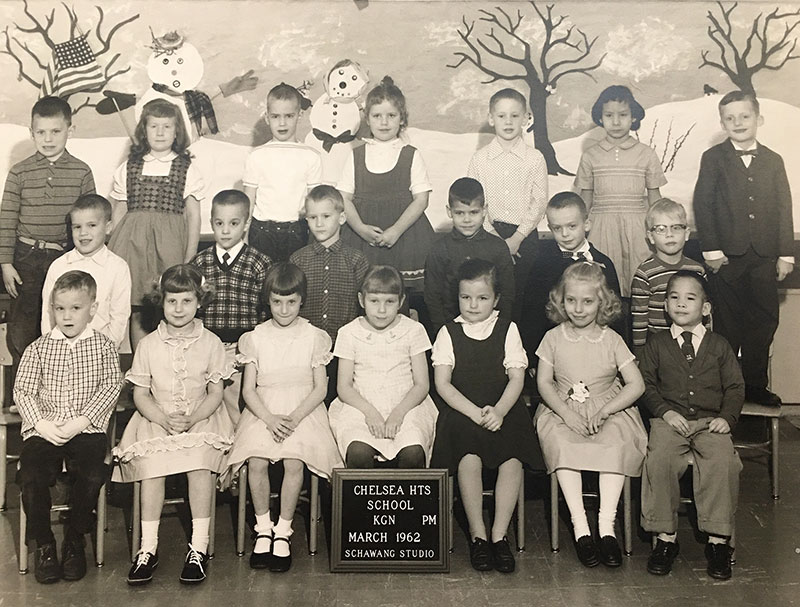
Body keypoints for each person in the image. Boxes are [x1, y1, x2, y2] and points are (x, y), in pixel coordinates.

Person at [112, 265, 234, 586]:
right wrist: (162, 418)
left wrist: (193, 418)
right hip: (157, 415)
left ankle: (199, 546)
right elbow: (140, 393)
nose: (178, 309)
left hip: (201, 415)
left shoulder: (211, 342)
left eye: (186, 301)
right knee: (153, 467)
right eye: (171, 302)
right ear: (161, 302)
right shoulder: (149, 344)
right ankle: (148, 547)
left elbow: (216, 392)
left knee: (198, 465)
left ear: (199, 302)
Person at [226, 263, 342, 572]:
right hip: (264, 409)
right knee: (257, 460)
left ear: (302, 300)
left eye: (291, 302)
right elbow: (249, 391)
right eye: (277, 302)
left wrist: (293, 418)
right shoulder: (255, 337)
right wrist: (269, 419)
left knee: (294, 460)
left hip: (303, 409)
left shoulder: (315, 337)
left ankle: (283, 531)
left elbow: (320, 389)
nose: (284, 309)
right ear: (268, 300)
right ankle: (263, 527)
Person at [430, 259, 540, 573]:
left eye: (481, 298)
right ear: (458, 297)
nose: (473, 304)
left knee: (511, 460)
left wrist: (500, 411)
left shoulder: (508, 328)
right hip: (464, 410)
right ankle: (478, 535)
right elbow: (443, 383)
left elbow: (517, 378)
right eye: (466, 297)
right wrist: (475, 413)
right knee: (469, 458)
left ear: (495, 300)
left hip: (502, 408)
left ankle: (499, 536)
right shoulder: (448, 332)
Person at [535, 262, 646, 568]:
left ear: (603, 302)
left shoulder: (611, 339)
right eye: (571, 301)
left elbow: (636, 384)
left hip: (607, 408)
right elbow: (544, 381)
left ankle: (606, 528)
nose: (579, 309)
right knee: (562, 444)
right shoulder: (554, 338)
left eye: (588, 301)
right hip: (563, 408)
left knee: (615, 443)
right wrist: (566, 413)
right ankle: (581, 528)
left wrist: (607, 409)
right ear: (561, 300)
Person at [14, 271, 121, 584]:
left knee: (91, 472)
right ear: (51, 310)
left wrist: (83, 420)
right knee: (30, 475)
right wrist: (41, 423)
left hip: (85, 428)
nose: (67, 315)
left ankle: (75, 538)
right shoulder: (38, 348)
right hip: (45, 428)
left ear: (92, 308)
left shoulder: (104, 347)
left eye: (76, 308)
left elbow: (111, 386)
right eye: (60, 309)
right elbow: (23, 390)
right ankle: (45, 544)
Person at [639, 270, 744, 580]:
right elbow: (644, 383)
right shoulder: (657, 344)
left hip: (711, 422)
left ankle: (718, 542)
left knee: (722, 463)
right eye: (674, 297)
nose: (681, 304)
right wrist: (664, 412)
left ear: (706, 308)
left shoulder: (720, 345)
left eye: (690, 297)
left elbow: (736, 387)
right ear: (665, 305)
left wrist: (727, 417)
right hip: (669, 421)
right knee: (658, 461)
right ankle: (665, 539)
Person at [693, 90, 794, 407]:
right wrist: (711, 250)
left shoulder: (774, 160)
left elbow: (784, 208)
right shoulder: (713, 159)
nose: (737, 122)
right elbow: (703, 204)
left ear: (758, 119)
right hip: (727, 260)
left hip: (764, 258)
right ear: (722, 122)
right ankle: (727, 388)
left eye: (744, 116)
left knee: (763, 323)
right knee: (727, 325)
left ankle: (755, 386)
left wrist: (785, 254)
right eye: (730, 118)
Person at [1, 96, 95, 378]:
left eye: (56, 131)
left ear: (70, 129)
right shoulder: (19, 172)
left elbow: (90, 221)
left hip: (65, 258)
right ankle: (24, 389)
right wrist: (6, 263)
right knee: (23, 325)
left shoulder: (81, 171)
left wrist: (86, 262)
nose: (48, 138)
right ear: (32, 133)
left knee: (64, 322)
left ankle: (61, 386)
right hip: (26, 259)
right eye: (40, 132)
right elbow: (6, 220)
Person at [108, 98, 205, 352]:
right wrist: (112, 256)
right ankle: (140, 368)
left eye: (167, 127)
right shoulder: (129, 166)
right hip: (132, 247)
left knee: (169, 304)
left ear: (177, 132)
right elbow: (119, 212)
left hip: (169, 247)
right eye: (154, 126)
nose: (160, 133)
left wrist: (189, 258)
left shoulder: (187, 168)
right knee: (138, 308)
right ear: (144, 130)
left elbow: (194, 217)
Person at [328, 265, 437, 468]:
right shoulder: (348, 332)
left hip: (407, 405)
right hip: (360, 406)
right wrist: (370, 413)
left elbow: (422, 385)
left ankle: (408, 501)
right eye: (374, 301)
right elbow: (344, 387)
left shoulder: (413, 330)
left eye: (390, 302)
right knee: (358, 452)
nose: (381, 310)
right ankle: (361, 501)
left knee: (412, 453)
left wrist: (398, 414)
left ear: (401, 301)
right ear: (362, 300)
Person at [338, 76, 435, 297]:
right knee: (367, 294)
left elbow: (421, 200)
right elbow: (344, 198)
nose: (384, 122)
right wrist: (361, 228)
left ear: (402, 118)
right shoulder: (356, 155)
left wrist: (396, 230)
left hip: (404, 239)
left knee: (404, 298)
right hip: (363, 239)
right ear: (367, 119)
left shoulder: (411, 154)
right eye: (377, 116)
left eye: (391, 115)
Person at [575, 85, 667, 298]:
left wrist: (660, 230)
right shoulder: (590, 155)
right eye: (609, 115)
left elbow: (655, 199)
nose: (616, 122)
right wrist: (576, 230)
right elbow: (585, 199)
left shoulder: (646, 154)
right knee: (603, 287)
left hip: (638, 229)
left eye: (623, 115)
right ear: (600, 118)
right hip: (601, 227)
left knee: (639, 287)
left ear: (633, 117)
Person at [190, 189, 273, 424]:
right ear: (211, 223)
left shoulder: (259, 262)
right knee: (210, 401)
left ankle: (241, 444)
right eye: (219, 223)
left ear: (246, 223)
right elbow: (193, 306)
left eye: (233, 223)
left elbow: (265, 310)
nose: (225, 230)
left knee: (238, 400)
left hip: (243, 346)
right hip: (209, 343)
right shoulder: (200, 262)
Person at [467, 88, 548, 318]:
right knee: (490, 299)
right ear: (491, 119)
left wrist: (517, 238)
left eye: (515, 115)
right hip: (488, 236)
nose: (508, 122)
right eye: (501, 116)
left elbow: (539, 201)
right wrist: (495, 238)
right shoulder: (480, 159)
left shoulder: (535, 158)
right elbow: (474, 202)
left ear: (526, 118)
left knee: (523, 302)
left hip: (524, 239)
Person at [519, 192, 620, 374]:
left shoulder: (604, 263)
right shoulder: (542, 265)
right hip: (557, 356)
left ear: (586, 224)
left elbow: (615, 315)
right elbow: (531, 314)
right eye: (557, 228)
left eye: (572, 226)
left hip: (597, 353)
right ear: (550, 228)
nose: (565, 234)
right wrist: (533, 359)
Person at [290, 185, 369, 403]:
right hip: (307, 349)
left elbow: (364, 308)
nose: (319, 223)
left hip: (345, 350)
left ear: (342, 217)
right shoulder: (298, 259)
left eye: (326, 216)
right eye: (312, 217)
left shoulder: (356, 259)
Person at [424, 177, 515, 335]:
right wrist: (443, 331)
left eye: (473, 212)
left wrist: (500, 331)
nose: (467, 219)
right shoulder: (439, 248)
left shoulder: (498, 247)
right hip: (451, 329)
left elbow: (508, 294)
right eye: (459, 213)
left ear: (484, 211)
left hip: (491, 329)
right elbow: (433, 296)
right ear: (449, 211)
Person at [41, 194, 131, 350]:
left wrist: (105, 352)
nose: (83, 233)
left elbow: (119, 317)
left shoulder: (118, 267)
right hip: (61, 352)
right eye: (77, 227)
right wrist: (53, 351)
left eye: (92, 225)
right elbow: (48, 314)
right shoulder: (59, 265)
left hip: (100, 354)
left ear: (108, 227)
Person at [243, 83, 322, 262]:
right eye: (276, 116)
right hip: (262, 232)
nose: (282, 123)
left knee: (294, 284)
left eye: (289, 116)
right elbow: (249, 200)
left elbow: (314, 203)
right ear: (267, 118)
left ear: (300, 115)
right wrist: (244, 238)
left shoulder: (311, 156)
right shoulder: (257, 156)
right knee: (264, 286)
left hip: (297, 232)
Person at [630, 198, 706, 358]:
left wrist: (707, 345)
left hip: (692, 343)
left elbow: (705, 313)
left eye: (676, 228)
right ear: (650, 237)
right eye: (661, 229)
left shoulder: (697, 270)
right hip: (657, 346)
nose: (669, 234)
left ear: (686, 234)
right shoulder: (645, 273)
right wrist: (640, 354)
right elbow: (639, 318)